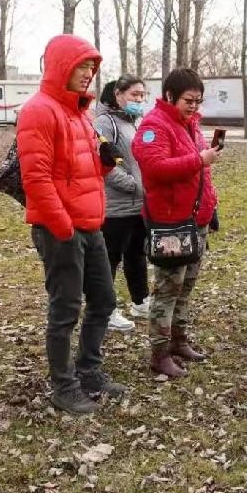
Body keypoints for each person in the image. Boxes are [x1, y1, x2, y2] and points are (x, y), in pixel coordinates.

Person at [17, 34, 125, 415]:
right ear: (62, 66)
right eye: (82, 66)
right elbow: (37, 179)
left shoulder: (80, 113)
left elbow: (81, 170)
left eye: (92, 68)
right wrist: (62, 227)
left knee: (105, 301)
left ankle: (89, 371)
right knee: (66, 308)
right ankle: (64, 386)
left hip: (90, 224)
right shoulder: (39, 111)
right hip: (61, 229)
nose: (88, 74)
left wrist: (106, 162)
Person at [132, 68, 220, 379]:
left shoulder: (189, 125)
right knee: (168, 289)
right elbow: (155, 168)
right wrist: (200, 159)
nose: (194, 106)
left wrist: (211, 207)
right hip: (171, 223)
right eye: (189, 100)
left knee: (186, 287)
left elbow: (200, 176)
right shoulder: (154, 126)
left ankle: (178, 341)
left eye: (198, 101)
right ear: (170, 96)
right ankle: (159, 353)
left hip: (195, 221)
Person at [94, 75, 151, 333]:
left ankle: (140, 301)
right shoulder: (105, 124)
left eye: (142, 95)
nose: (139, 100)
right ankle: (106, 310)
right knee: (110, 258)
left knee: (137, 254)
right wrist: (134, 185)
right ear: (118, 95)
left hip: (138, 205)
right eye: (134, 95)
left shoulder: (135, 122)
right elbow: (104, 166)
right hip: (116, 206)